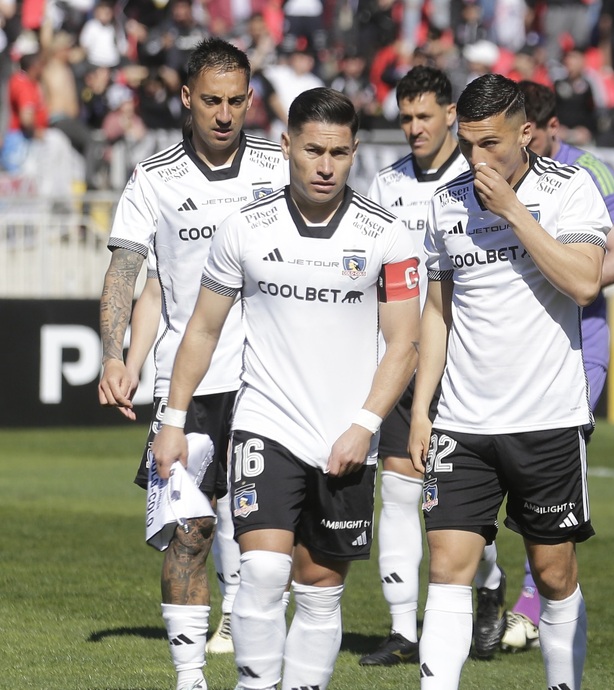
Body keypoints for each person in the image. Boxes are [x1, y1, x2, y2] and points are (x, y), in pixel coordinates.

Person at [150, 87, 423, 690]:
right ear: (286, 147)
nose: (325, 167)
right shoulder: (244, 229)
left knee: (320, 588)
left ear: (355, 154)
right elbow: (201, 328)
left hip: (348, 435)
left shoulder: (387, 237)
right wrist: (173, 419)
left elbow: (404, 343)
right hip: (265, 424)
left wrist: (365, 426)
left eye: (339, 153)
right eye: (312, 151)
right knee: (264, 569)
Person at [98, 37, 287, 690]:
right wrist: (117, 356)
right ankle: (188, 679)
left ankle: (251, 648)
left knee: (266, 541)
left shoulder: (280, 168)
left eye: (237, 100)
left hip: (269, 382)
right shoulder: (155, 179)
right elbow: (134, 273)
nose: (225, 113)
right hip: (189, 383)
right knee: (192, 529)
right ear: (186, 98)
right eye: (212, 100)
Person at [411, 73, 610, 690]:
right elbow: (438, 313)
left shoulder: (570, 189)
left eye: (490, 144)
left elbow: (583, 283)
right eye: (467, 144)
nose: (476, 159)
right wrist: (423, 411)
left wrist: (514, 213)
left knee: (552, 574)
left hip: (546, 419)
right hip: (463, 423)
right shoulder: (445, 203)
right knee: (447, 567)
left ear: (526, 135)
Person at [498, 79, 614, 651]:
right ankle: (487, 589)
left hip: (581, 344)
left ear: (550, 129)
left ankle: (534, 603)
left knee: (549, 476)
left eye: (536, 135)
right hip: (507, 348)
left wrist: (554, 272)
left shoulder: (591, 174)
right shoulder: (491, 177)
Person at [357, 65, 473, 668]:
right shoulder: (386, 185)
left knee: (459, 499)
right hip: (402, 361)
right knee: (399, 492)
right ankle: (405, 629)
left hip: (468, 364)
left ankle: (490, 587)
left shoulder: (478, 178)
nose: (413, 127)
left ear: (451, 114)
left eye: (424, 115)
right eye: (405, 117)